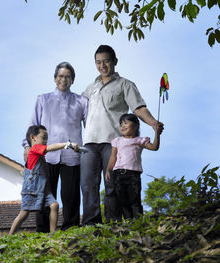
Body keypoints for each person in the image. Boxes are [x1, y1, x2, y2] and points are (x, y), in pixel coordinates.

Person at [80, 45, 164, 225]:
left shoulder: (125, 84)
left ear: (114, 61)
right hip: (89, 142)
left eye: (106, 61)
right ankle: (90, 224)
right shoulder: (90, 87)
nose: (103, 66)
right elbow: (77, 109)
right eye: (98, 62)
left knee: (112, 185)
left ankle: (113, 223)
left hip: (113, 142)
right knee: (88, 185)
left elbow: (138, 108)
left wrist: (153, 123)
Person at [22, 62, 87, 231]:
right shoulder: (43, 99)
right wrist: (26, 146)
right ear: (54, 78)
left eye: (67, 76)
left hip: (71, 156)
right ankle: (42, 230)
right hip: (46, 156)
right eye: (60, 76)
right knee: (43, 194)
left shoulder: (81, 101)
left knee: (70, 194)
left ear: (72, 80)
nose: (63, 80)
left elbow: (90, 126)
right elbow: (33, 125)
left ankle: (71, 228)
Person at [10, 125, 79, 235]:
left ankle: (52, 234)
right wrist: (68, 144)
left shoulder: (39, 153)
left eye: (47, 138)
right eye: (44, 137)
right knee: (24, 213)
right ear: (33, 137)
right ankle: (10, 235)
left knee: (54, 205)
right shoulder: (35, 149)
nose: (46, 141)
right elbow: (50, 148)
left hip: (42, 188)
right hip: (31, 188)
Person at [105, 113, 161, 220]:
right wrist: (108, 170)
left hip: (133, 175)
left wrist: (157, 134)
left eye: (126, 123)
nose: (123, 126)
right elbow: (113, 157)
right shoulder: (117, 141)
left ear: (135, 126)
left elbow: (154, 147)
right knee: (123, 201)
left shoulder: (140, 140)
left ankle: (138, 222)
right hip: (118, 175)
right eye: (121, 124)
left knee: (135, 200)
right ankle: (128, 222)